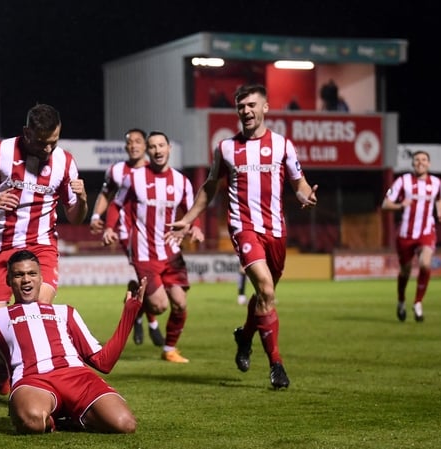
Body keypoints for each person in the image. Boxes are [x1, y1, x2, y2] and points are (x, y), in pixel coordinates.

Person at [168, 84, 318, 389]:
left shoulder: (282, 145)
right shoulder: (225, 148)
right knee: (264, 287)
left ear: (265, 108)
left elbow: (298, 182)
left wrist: (304, 196)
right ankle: (277, 365)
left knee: (266, 295)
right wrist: (187, 219)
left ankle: (245, 335)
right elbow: (210, 186)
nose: (246, 111)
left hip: (276, 231)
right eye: (241, 106)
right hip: (244, 227)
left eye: (251, 105)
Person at [0, 249, 140, 434]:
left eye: (32, 274)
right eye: (19, 275)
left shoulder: (65, 312)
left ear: (41, 278)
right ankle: (49, 418)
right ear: (8, 280)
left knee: (125, 424)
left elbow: (103, 362)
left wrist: (130, 315)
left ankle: (72, 417)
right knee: (31, 422)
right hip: (34, 382)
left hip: (78, 378)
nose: (26, 279)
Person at [0, 103, 88, 393]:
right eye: (42, 143)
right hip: (2, 249)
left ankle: (28, 383)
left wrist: (83, 200)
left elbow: (75, 215)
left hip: (41, 246)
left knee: (36, 312)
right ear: (27, 133)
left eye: (54, 141)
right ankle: (5, 363)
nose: (48, 150)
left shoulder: (65, 162)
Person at [102, 131, 205, 364]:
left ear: (169, 148)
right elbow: (115, 204)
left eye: (161, 145)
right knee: (159, 307)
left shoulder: (181, 181)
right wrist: (109, 228)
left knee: (180, 304)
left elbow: (192, 210)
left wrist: (195, 227)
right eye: (153, 147)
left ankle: (169, 349)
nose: (157, 150)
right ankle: (139, 301)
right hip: (144, 251)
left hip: (171, 250)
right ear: (148, 151)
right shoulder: (135, 178)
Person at [89, 128, 163, 347]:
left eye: (138, 141)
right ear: (125, 147)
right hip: (126, 232)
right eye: (129, 142)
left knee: (148, 280)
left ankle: (137, 310)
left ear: (145, 146)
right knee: (147, 277)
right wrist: (96, 216)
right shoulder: (116, 170)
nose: (133, 145)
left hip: (153, 234)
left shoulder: (155, 170)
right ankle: (152, 323)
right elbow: (106, 194)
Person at [381, 150, 441, 322]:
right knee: (405, 271)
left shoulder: (437, 183)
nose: (420, 162)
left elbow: (440, 198)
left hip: (426, 231)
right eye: (417, 160)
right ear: (413, 163)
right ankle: (401, 301)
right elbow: (385, 204)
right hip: (406, 234)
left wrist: (440, 212)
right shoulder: (403, 181)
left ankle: (418, 303)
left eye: (424, 159)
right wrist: (400, 205)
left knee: (425, 263)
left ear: (429, 163)